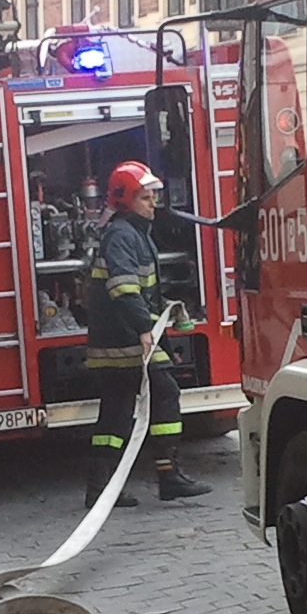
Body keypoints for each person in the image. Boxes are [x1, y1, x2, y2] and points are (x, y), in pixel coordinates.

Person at [83, 159, 210, 508]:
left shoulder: (131, 234)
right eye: (145, 197)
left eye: (153, 196)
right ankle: (168, 475)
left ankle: (99, 488)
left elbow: (141, 290)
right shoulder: (124, 236)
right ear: (125, 200)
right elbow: (124, 289)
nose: (153, 203)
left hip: (118, 340)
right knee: (165, 393)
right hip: (127, 341)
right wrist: (143, 328)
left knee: (116, 413)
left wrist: (168, 309)